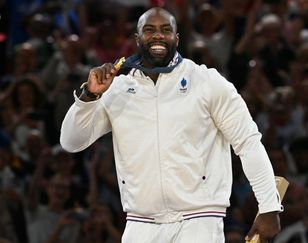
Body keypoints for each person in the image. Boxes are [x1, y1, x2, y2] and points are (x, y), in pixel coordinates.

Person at [60, 7, 283, 243]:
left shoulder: (207, 82)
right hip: (140, 223)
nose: (158, 35)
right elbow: (71, 142)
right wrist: (89, 96)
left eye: (166, 30)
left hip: (198, 221)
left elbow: (248, 142)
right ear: (137, 39)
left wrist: (269, 205)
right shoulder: (117, 90)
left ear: (177, 38)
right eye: (149, 30)